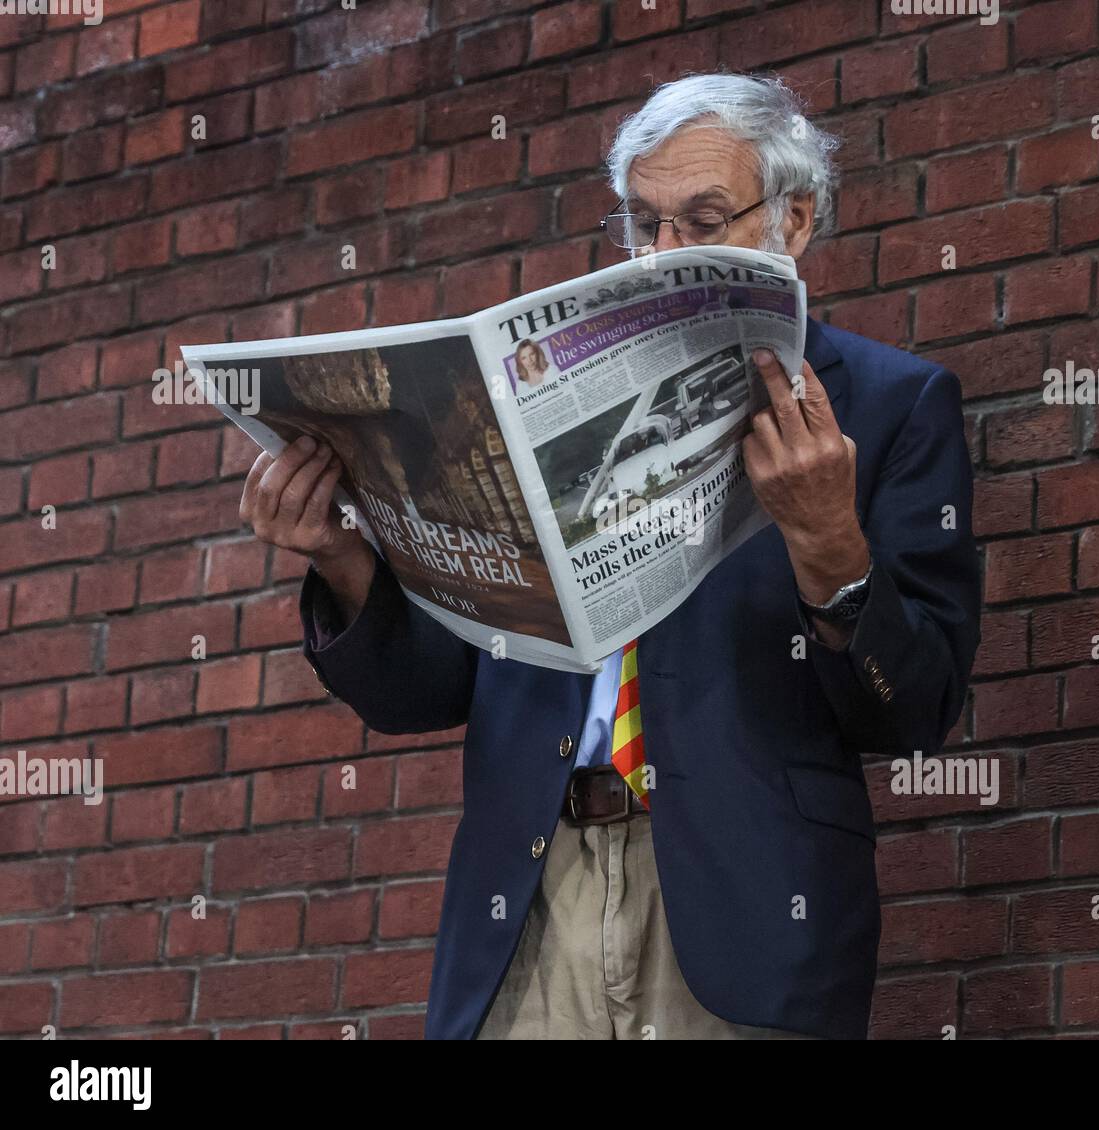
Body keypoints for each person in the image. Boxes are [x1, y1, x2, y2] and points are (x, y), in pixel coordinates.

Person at [240, 71, 981, 1040]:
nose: (662, 254)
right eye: (643, 224)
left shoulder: (890, 405)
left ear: (793, 222)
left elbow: (915, 707)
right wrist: (343, 558)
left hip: (742, 907)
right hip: (530, 900)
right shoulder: (531, 404)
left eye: (702, 219)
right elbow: (422, 694)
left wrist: (827, 542)